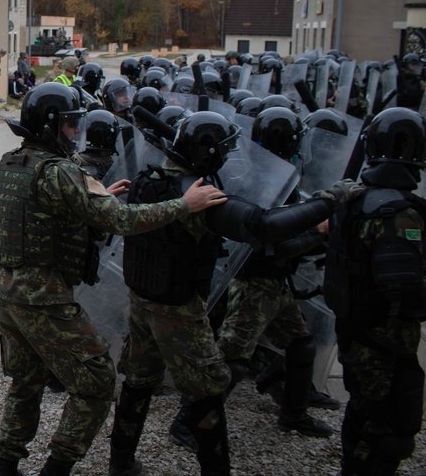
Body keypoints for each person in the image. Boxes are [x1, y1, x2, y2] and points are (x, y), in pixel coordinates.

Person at [0, 83, 229, 476]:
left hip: (6, 292)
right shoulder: (62, 171)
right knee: (98, 382)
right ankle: (57, 468)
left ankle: (6, 466)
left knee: (26, 381)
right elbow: (122, 221)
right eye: (69, 126)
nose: (74, 133)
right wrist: (185, 205)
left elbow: (44, 218)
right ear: (51, 126)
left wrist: (95, 198)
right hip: (43, 297)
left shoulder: (13, 161)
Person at [109, 111, 362, 476]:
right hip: (179, 312)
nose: (227, 160)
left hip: (143, 303)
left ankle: (121, 462)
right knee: (208, 393)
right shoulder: (195, 197)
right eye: (223, 152)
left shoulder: (148, 181)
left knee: (138, 383)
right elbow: (266, 226)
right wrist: (330, 200)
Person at [166, 108, 333, 455]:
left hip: (277, 282)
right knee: (231, 361)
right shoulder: (262, 180)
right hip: (255, 282)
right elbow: (269, 242)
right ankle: (186, 422)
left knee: (301, 345)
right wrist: (316, 233)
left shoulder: (278, 175)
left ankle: (294, 412)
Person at [323, 108, 426, 476]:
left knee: (363, 411)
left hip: (355, 331)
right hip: (385, 340)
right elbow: (406, 290)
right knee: (392, 431)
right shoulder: (398, 214)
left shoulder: (354, 198)